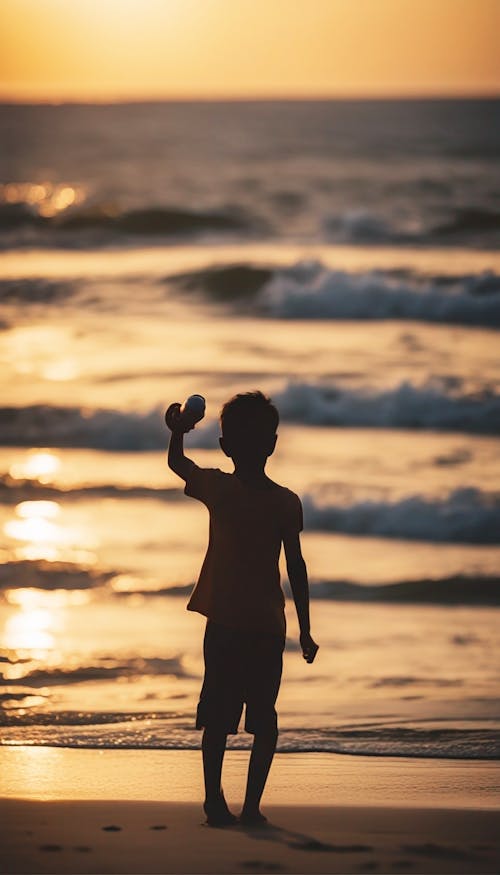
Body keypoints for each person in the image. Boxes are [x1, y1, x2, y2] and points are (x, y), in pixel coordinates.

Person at [165, 390, 318, 827]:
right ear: (271, 443)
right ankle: (244, 806)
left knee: (223, 717)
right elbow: (298, 568)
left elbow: (179, 465)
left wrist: (178, 435)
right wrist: (305, 630)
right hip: (259, 626)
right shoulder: (277, 499)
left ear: (224, 445)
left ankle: (223, 803)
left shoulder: (230, 489)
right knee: (256, 718)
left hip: (240, 625)